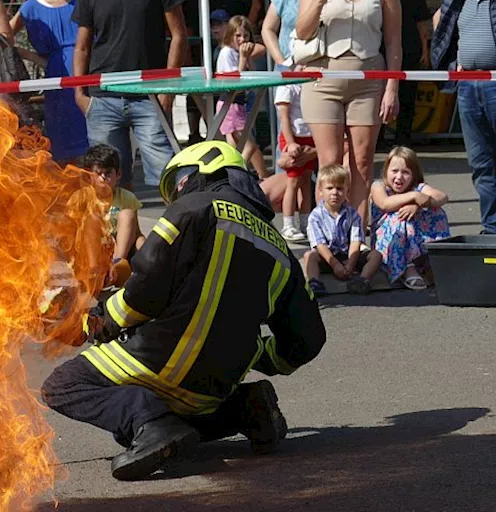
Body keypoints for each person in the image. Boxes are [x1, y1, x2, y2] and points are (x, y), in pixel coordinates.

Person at [41, 141, 325, 481]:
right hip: (213, 386)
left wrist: (99, 322)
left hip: (159, 361)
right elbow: (308, 339)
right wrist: (257, 356)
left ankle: (153, 426)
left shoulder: (195, 208)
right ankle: (243, 408)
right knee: (149, 416)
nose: (179, 189)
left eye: (183, 178)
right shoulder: (280, 248)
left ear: (210, 169)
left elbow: (147, 286)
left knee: (63, 386)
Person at [296, 0, 402, 226]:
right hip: (323, 78)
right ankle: (327, 236)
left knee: (362, 163)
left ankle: (358, 236)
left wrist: (392, 87)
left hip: (369, 79)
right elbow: (302, 32)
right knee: (330, 166)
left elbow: (394, 41)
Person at [73, 0, 187, 188]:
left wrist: (167, 91)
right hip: (102, 98)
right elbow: (82, 46)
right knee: (105, 185)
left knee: (168, 179)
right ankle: (122, 233)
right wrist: (79, 94)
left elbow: (179, 34)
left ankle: (175, 232)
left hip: (150, 97)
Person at [431, 0, 496, 234]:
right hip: (468, 86)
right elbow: (440, 26)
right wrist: (452, 62)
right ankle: (492, 227)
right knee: (481, 163)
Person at [11, 0, 88, 162]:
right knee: (63, 155)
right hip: (56, 81)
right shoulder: (31, 7)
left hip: (88, 75)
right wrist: (33, 57)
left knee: (96, 151)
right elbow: (5, 37)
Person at [370, 146, 450, 290]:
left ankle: (433, 258)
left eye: (405, 172)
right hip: (388, 243)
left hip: (416, 238)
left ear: (414, 174)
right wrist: (414, 197)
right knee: (400, 217)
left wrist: (418, 206)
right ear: (386, 170)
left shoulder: (417, 187)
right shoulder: (379, 186)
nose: (399, 177)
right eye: (394, 171)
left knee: (436, 211)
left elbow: (442, 197)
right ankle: (407, 267)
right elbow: (385, 204)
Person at [303, 164, 384, 296]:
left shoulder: (352, 214)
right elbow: (319, 244)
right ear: (320, 191)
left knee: (376, 255)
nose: (335, 192)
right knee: (309, 256)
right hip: (327, 256)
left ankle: (363, 280)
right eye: (329, 188)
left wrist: (351, 264)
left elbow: (355, 240)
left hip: (348, 255)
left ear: (347, 191)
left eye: (340, 188)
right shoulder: (315, 216)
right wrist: (334, 264)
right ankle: (314, 283)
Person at [383, 0, 432, 144]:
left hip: (410, 53)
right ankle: (378, 139)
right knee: (381, 96)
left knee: (407, 98)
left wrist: (425, 52)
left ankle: (403, 138)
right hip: (384, 55)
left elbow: (422, 25)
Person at [214, 16, 268, 178]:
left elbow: (251, 74)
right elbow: (235, 82)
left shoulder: (237, 52)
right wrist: (243, 58)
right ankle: (235, 174)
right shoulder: (227, 53)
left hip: (237, 105)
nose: (242, 39)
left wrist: (248, 56)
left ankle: (235, 174)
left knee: (235, 148)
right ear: (230, 35)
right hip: (231, 104)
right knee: (249, 146)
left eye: (245, 36)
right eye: (238, 36)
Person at [80, 144, 143, 263]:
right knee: (91, 219)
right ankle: (94, 270)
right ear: (89, 177)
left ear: (118, 174)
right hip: (92, 251)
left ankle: (118, 264)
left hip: (120, 249)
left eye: (108, 173)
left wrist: (146, 250)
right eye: (98, 174)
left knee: (127, 214)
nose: (103, 178)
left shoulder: (126, 197)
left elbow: (136, 233)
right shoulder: (82, 198)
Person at [275, 77, 316, 243]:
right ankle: (288, 224)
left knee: (306, 180)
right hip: (293, 137)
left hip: (310, 136)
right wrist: (290, 142)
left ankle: (306, 223)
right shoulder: (287, 85)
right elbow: (284, 117)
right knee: (292, 182)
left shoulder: (311, 83)